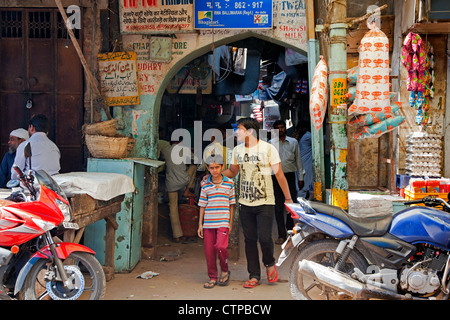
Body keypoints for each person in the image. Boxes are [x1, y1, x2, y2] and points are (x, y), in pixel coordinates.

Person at [220, 117, 293, 288]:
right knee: (250, 240)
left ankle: (269, 263)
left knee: (265, 238)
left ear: (250, 131)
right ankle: (253, 275)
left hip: (265, 201)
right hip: (245, 202)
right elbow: (232, 171)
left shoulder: (268, 149)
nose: (236, 132)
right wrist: (216, 176)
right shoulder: (237, 151)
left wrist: (288, 198)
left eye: (239, 129)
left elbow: (280, 174)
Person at [197, 154, 235, 289]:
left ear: (222, 167)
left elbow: (232, 205)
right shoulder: (205, 185)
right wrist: (200, 224)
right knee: (209, 251)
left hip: (223, 222)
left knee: (220, 247)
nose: (215, 170)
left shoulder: (229, 183)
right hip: (208, 223)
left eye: (217, 167)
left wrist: (230, 223)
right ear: (208, 168)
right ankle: (212, 277)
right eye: (211, 168)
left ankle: (224, 269)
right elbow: (202, 205)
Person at [270, 119, 304, 244]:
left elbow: (298, 160)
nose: (280, 130)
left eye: (282, 127)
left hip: (290, 176)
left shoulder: (294, 142)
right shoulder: (271, 144)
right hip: (275, 177)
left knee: (291, 205)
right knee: (278, 206)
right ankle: (281, 235)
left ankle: (290, 230)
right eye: (278, 128)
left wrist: (301, 177)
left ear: (285, 128)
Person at [160, 136, 198, 243]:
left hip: (171, 184)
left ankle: (177, 235)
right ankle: (188, 189)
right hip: (184, 181)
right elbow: (195, 160)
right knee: (194, 166)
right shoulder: (184, 149)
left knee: (173, 208)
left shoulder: (165, 150)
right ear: (180, 141)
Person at [11, 114, 60, 180]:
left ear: (31, 127)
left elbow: (16, 172)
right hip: (52, 185)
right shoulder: (54, 146)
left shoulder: (25, 145)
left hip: (33, 187)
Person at [298, 129, 313, 199]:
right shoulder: (306, 137)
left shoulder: (307, 136)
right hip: (304, 165)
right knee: (303, 186)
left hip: (304, 165)